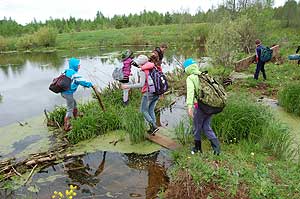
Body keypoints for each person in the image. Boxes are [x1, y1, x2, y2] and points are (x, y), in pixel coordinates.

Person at [183, 58, 221, 155]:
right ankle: (217, 149)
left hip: (201, 106)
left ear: (188, 69)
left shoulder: (191, 78)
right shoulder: (204, 75)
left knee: (197, 127)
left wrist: (189, 107)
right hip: (211, 105)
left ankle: (197, 148)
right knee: (206, 126)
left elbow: (190, 93)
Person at [121, 55, 160, 135]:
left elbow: (141, 84)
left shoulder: (143, 71)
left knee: (143, 111)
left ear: (141, 63)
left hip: (148, 93)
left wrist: (127, 86)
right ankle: (153, 128)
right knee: (150, 110)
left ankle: (153, 126)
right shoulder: (153, 67)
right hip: (157, 92)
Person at [61, 57, 94, 131]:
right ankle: (67, 126)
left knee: (74, 104)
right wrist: (90, 84)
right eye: (78, 65)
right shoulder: (74, 73)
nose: (79, 66)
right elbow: (82, 81)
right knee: (70, 109)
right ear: (74, 65)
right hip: (68, 93)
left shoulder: (65, 71)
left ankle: (76, 117)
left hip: (63, 92)